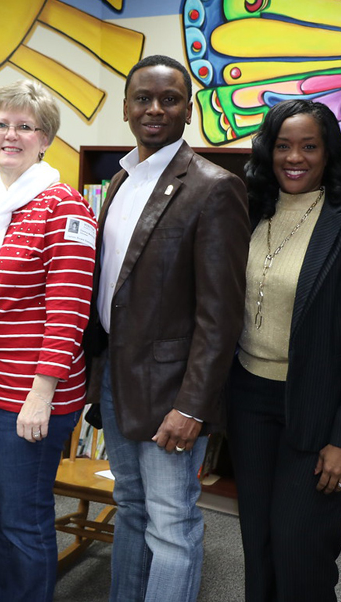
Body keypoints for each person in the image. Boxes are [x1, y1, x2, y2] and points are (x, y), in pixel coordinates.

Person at [84, 54, 249, 601]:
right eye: (143, 98)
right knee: (129, 507)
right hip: (116, 376)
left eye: (169, 99)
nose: (155, 109)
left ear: (188, 108)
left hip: (172, 391)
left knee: (172, 524)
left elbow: (220, 314)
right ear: (127, 108)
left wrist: (192, 406)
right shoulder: (121, 178)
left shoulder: (213, 187)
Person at [227, 99, 341, 601]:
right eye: (282, 146)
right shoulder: (250, 215)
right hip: (249, 403)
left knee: (301, 549)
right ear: (267, 152)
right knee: (258, 545)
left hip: (320, 412)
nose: (293, 157)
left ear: (328, 154)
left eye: (308, 146)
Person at [0, 79, 96, 602]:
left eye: (25, 126)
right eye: (1, 125)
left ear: (45, 139)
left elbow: (69, 311)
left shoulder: (66, 209)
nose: (10, 135)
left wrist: (42, 392)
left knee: (23, 521)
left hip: (26, 398)